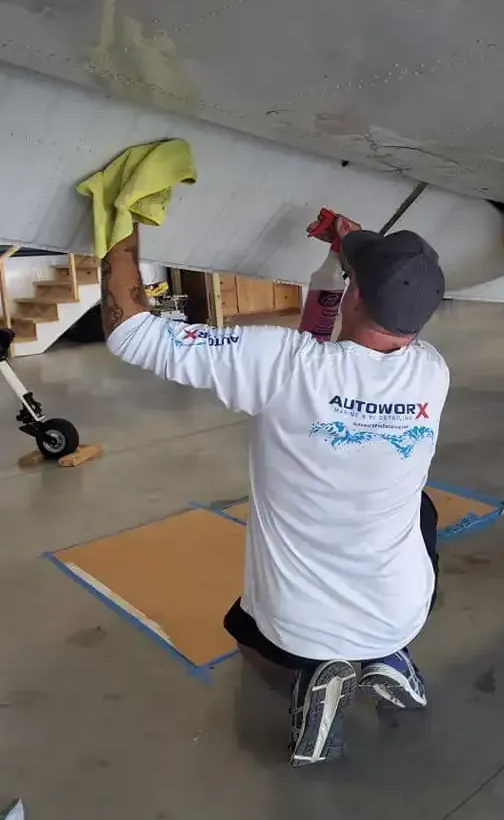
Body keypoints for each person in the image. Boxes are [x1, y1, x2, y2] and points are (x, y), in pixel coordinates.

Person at [101, 219, 449, 766]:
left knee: (247, 632)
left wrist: (122, 229)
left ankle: (315, 673)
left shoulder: (282, 364)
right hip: (402, 611)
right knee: (421, 508)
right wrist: (351, 265)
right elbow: (336, 351)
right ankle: (384, 655)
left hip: (297, 625)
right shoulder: (432, 372)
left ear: (353, 292)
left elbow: (132, 333)